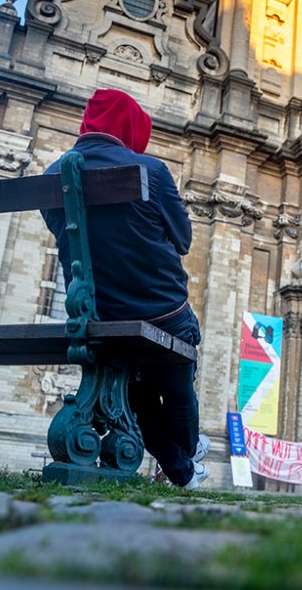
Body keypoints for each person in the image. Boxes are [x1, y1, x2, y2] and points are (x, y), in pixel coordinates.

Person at [41, 88, 209, 489]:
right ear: (131, 129)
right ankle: (186, 457)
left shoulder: (51, 176)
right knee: (177, 373)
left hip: (98, 316)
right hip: (164, 314)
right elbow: (184, 240)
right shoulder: (151, 170)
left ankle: (184, 468)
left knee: (134, 383)